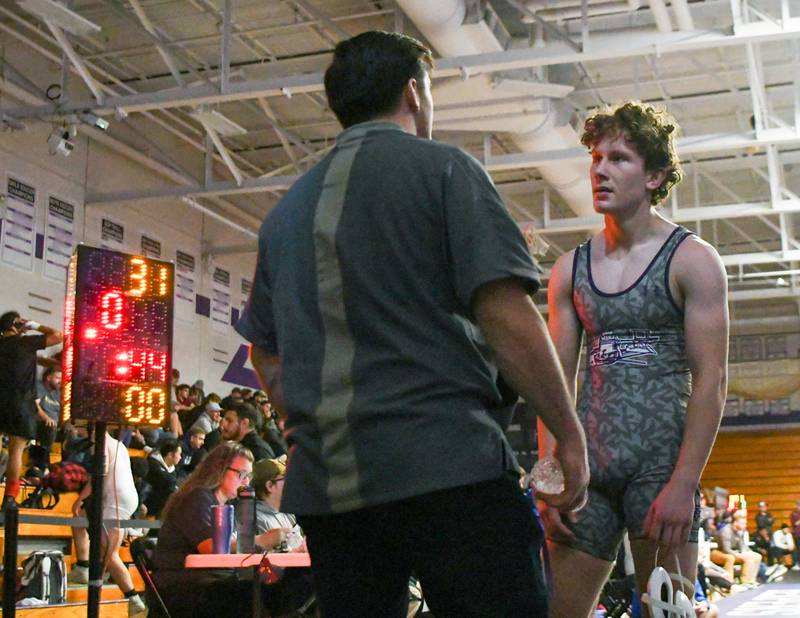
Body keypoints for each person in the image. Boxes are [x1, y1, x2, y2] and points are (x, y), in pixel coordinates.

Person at [235, 30, 588, 618]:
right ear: (415, 94)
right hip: (450, 470)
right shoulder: (445, 170)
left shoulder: (284, 215)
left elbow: (265, 356)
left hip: (331, 492)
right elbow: (506, 314)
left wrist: (310, 432)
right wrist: (569, 435)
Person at [542, 101, 729, 617]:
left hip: (662, 472)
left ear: (655, 175)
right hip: (588, 471)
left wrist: (685, 483)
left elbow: (711, 381)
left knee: (667, 613)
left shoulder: (693, 260)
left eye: (619, 158)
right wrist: (551, 475)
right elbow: (553, 381)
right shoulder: (569, 269)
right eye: (597, 157)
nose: (600, 169)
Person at [151, 442, 284, 618]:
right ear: (219, 468)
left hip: (210, 581)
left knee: (278, 583)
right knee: (265, 592)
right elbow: (213, 548)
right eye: (242, 474)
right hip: (185, 587)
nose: (246, 482)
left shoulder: (225, 504)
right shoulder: (197, 499)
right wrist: (261, 540)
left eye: (249, 476)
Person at [68, 431, 145, 615]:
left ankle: (133, 598)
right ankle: (82, 567)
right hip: (123, 496)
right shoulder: (119, 445)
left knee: (109, 555)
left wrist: (79, 499)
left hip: (116, 500)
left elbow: (98, 477)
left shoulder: (103, 445)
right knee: (79, 520)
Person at [0, 311, 62, 506]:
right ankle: (9, 498)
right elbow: (58, 335)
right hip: (21, 403)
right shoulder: (25, 343)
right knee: (16, 450)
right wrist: (33, 324)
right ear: (16, 325)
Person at [715, 509, 761, 585]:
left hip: (733, 551)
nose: (745, 525)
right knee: (745, 558)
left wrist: (746, 552)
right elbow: (726, 549)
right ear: (735, 522)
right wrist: (739, 555)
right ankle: (745, 581)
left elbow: (742, 546)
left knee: (757, 556)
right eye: (743, 523)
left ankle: (752, 580)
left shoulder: (739, 531)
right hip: (720, 552)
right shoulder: (726, 531)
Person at [29, 366, 61, 471]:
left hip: (55, 426)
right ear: (48, 377)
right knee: (50, 427)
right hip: (39, 424)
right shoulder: (39, 387)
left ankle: (63, 464)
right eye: (57, 378)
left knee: (71, 432)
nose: (59, 381)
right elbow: (34, 406)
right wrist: (47, 418)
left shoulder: (58, 393)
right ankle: (43, 464)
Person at [143, 438, 181, 518]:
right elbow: (168, 481)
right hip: (145, 501)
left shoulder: (172, 470)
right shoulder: (153, 465)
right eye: (179, 454)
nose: (180, 457)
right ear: (170, 455)